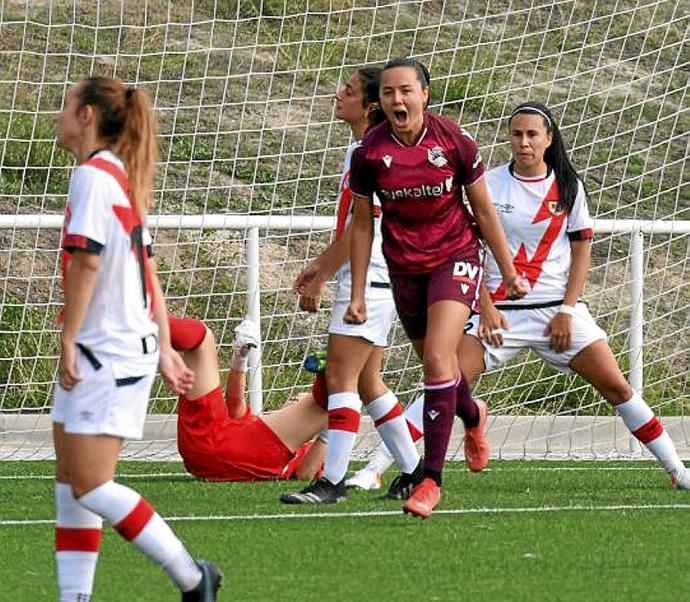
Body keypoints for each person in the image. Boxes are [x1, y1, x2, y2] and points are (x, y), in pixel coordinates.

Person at [354, 101, 690, 491]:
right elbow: (465, 248)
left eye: (532, 134)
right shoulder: (490, 183)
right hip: (499, 313)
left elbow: (582, 250)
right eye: (516, 134)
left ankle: (677, 469)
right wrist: (486, 306)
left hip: (556, 313)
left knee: (617, 387)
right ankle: (375, 468)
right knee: (444, 378)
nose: (524, 142)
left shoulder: (568, 186)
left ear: (549, 139)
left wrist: (566, 310)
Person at [51, 76, 222, 602]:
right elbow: (146, 269)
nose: (57, 114)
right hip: (115, 346)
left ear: (87, 117)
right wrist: (167, 346)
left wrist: (71, 337)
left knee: (93, 485)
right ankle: (74, 597)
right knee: (71, 483)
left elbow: (87, 260)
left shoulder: (95, 177)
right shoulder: (114, 176)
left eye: (66, 104)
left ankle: (193, 577)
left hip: (106, 351)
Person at [344, 57, 526, 518]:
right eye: (388, 93)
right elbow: (362, 226)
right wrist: (359, 293)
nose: (397, 100)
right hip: (405, 268)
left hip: (456, 258)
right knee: (442, 369)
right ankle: (473, 414)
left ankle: (430, 480)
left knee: (436, 360)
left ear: (425, 93)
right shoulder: (370, 152)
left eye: (406, 90)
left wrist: (506, 270)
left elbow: (483, 212)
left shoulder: (455, 141)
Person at [280, 67, 422, 505]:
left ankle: (332, 481)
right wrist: (321, 266)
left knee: (341, 378)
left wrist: (323, 274)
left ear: (371, 106)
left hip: (371, 277)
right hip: (378, 277)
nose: (339, 95)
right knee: (368, 382)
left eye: (350, 90)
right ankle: (416, 472)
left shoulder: (371, 154)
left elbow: (365, 224)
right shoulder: (365, 150)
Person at [170, 315, 329, 482]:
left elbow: (306, 473)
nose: (295, 399)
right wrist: (240, 357)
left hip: (225, 454)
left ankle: (342, 377)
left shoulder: (308, 448)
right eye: (296, 397)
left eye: (298, 399)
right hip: (202, 447)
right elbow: (235, 405)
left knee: (325, 405)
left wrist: (331, 427)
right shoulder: (251, 427)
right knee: (201, 338)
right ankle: (142, 322)